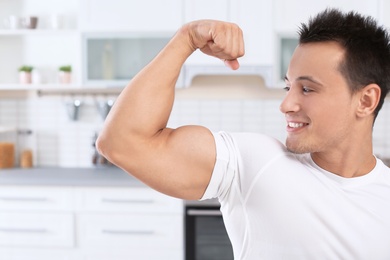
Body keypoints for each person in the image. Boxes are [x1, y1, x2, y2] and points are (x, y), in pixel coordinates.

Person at [96, 8, 390, 259]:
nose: (286, 104)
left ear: (365, 101)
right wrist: (186, 39)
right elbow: (122, 142)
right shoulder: (254, 163)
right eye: (289, 87)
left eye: (308, 89)